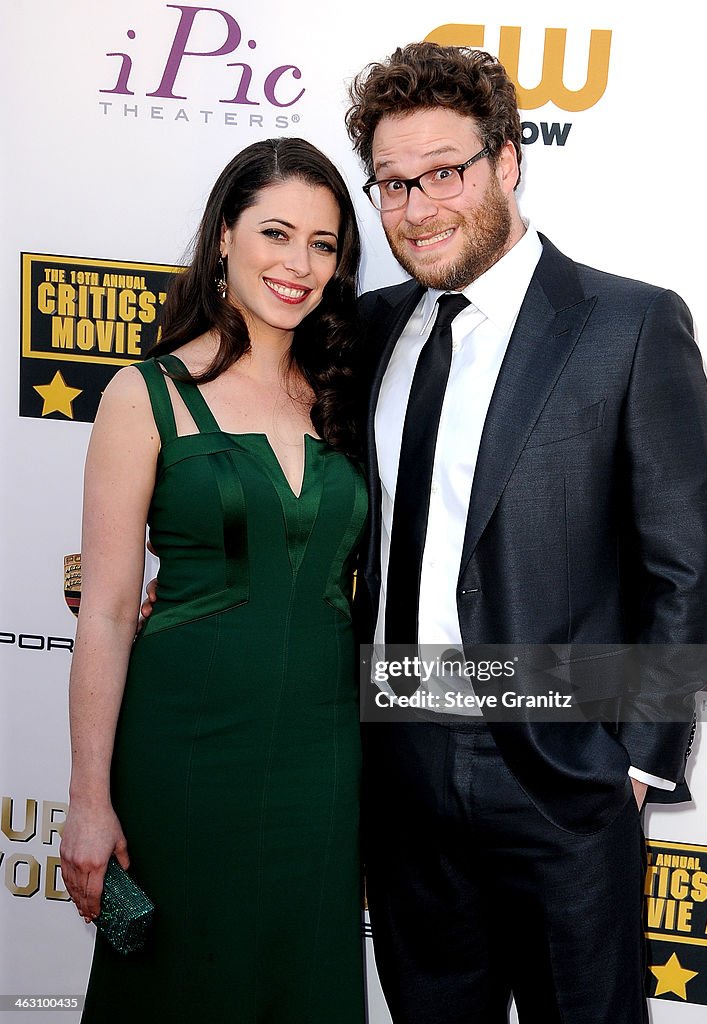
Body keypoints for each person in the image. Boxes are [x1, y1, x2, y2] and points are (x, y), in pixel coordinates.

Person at [345, 42, 707, 1024]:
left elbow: (685, 565)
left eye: (444, 172)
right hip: (400, 772)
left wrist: (636, 766)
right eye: (391, 184)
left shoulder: (626, 323)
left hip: (562, 780)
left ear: (507, 160)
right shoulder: (366, 330)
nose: (417, 207)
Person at [59, 138, 367, 1024]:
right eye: (276, 232)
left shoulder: (347, 394)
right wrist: (87, 801)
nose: (298, 264)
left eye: (323, 243)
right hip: (185, 751)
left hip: (324, 757)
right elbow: (110, 612)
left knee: (300, 983)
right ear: (224, 237)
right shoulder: (144, 395)